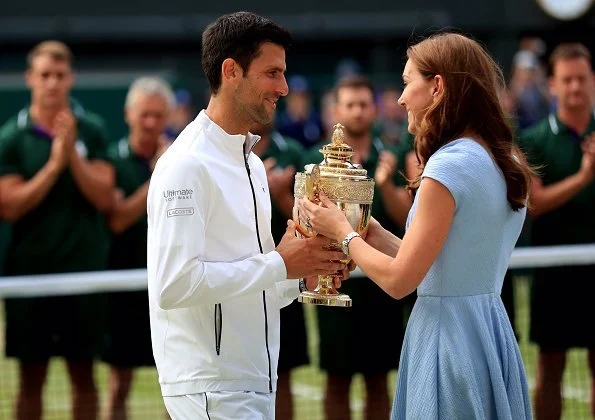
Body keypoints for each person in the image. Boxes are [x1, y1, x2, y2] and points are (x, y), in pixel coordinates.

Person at [299, 32, 534, 419]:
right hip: (488, 334)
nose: (400, 98)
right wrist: (367, 229)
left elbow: (400, 280)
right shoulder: (496, 155)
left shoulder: (448, 166)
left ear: (437, 87)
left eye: (408, 83)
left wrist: (343, 232)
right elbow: (440, 265)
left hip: (448, 342)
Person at [146, 11, 350, 419]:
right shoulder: (187, 164)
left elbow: (252, 284)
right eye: (272, 73)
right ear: (231, 71)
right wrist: (278, 263)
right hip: (211, 388)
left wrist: (300, 274)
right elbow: (173, 285)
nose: (284, 87)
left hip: (252, 381)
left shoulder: (252, 163)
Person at [0, 40, 114, 420]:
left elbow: (104, 198)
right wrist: (53, 164)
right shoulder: (11, 138)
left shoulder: (93, 131)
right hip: (29, 276)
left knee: (84, 375)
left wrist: (72, 159)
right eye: (45, 75)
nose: (52, 83)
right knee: (30, 378)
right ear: (30, 78)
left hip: (84, 275)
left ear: (71, 79)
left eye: (60, 75)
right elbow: (10, 206)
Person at [304, 74, 412, 420]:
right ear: (337, 109)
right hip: (336, 278)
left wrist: (383, 184)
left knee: (379, 380)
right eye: (349, 104)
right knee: (337, 380)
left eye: (364, 104)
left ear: (375, 108)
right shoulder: (317, 162)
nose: (357, 111)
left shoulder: (393, 156)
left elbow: (407, 218)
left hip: (383, 281)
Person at [519, 42, 595, 420]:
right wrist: (584, 177)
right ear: (552, 85)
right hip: (553, 273)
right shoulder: (533, 140)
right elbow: (534, 203)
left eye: (582, 79)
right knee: (551, 369)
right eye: (567, 80)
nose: (576, 87)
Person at [101, 76, 174, 420]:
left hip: (171, 283)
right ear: (128, 114)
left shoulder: (179, 158)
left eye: (158, 115)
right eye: (144, 114)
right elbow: (118, 218)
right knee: (119, 383)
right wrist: (157, 177)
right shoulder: (112, 159)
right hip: (123, 285)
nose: (150, 122)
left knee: (175, 381)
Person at [251, 120, 309, 420]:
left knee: (281, 373)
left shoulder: (294, 152)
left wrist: (279, 194)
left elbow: (311, 221)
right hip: (240, 277)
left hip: (286, 275)